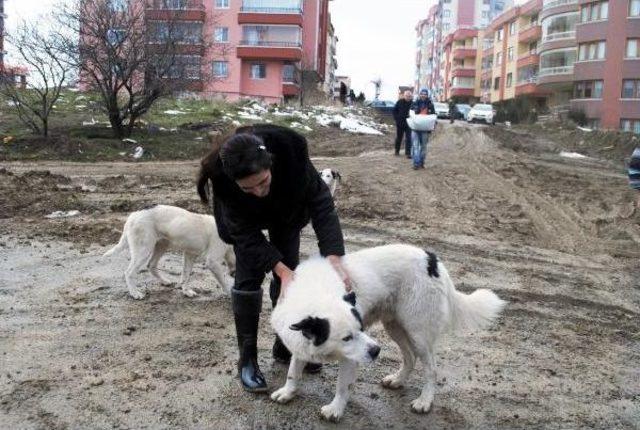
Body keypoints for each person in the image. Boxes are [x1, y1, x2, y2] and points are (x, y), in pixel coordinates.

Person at [197, 124, 349, 393]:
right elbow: (244, 234)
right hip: (244, 222)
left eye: (263, 182)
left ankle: (284, 344)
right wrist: (278, 268)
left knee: (289, 269)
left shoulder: (291, 155)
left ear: (271, 165)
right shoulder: (223, 177)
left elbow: (321, 203)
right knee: (248, 277)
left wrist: (334, 255)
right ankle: (247, 358)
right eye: (248, 188)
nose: (258, 191)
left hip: (286, 211)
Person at [410, 88, 436, 170]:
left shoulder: (430, 105)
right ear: (419, 94)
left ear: (427, 95)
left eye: (425, 94)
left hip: (425, 129)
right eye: (422, 93)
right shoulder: (414, 103)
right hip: (415, 128)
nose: (423, 95)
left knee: (423, 147)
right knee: (415, 146)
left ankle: (421, 162)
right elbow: (410, 114)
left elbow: (433, 117)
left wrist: (433, 126)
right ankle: (416, 163)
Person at [392, 90, 413, 158]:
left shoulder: (413, 103)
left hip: (409, 123)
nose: (408, 97)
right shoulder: (399, 102)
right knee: (399, 138)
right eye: (407, 96)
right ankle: (397, 151)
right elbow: (394, 111)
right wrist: (396, 119)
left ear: (411, 97)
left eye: (409, 96)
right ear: (404, 96)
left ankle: (408, 153)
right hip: (400, 123)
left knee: (408, 138)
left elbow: (415, 112)